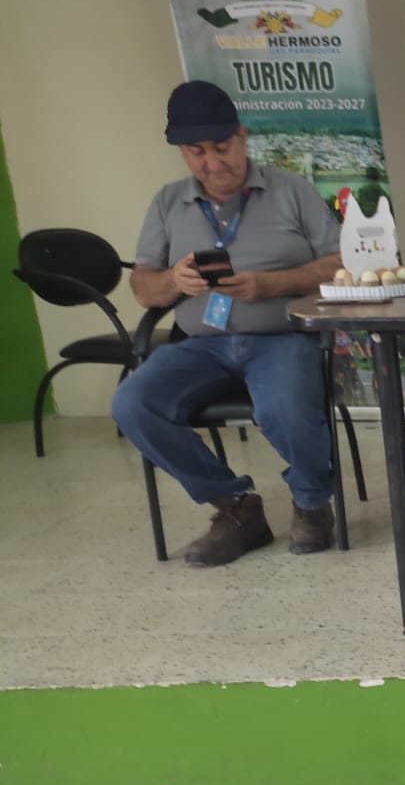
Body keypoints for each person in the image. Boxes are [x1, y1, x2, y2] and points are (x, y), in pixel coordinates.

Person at [113, 80, 345, 566]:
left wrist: (273, 284)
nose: (214, 163)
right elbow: (143, 288)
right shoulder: (167, 202)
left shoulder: (292, 190)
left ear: (242, 136)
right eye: (197, 152)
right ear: (181, 152)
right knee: (132, 403)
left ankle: (311, 502)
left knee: (283, 407)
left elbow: (340, 263)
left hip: (282, 338)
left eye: (222, 147)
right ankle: (236, 507)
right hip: (201, 345)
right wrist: (174, 281)